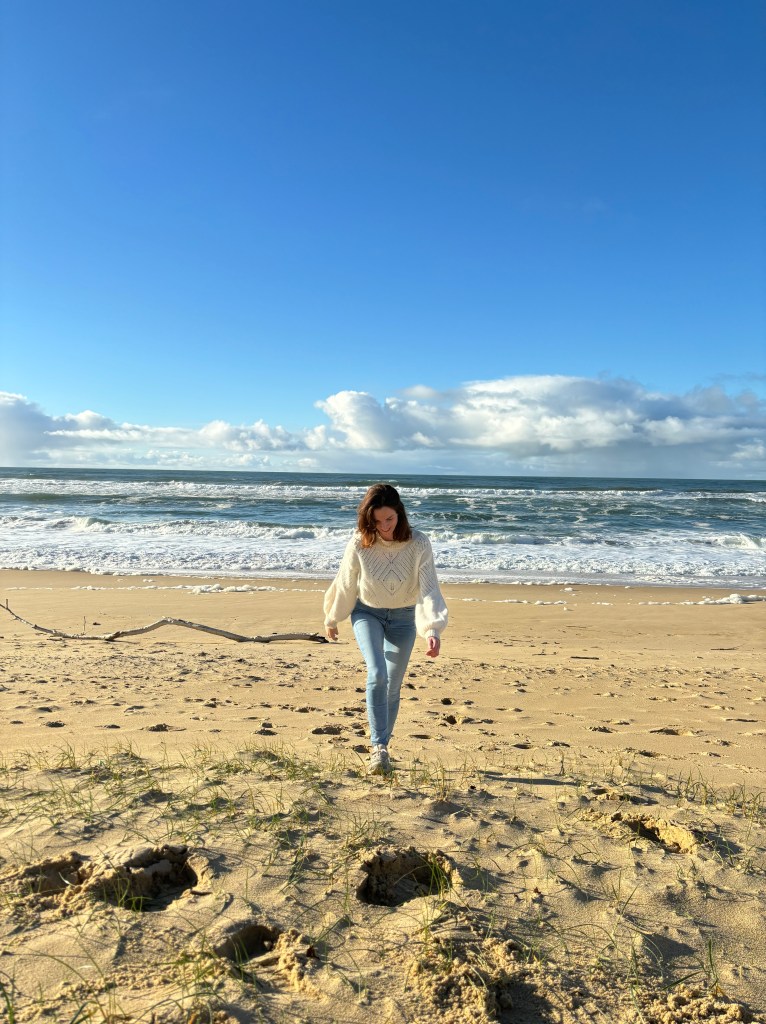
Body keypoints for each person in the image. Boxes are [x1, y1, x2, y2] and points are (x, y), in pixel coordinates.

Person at [323, 483, 448, 774]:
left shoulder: (419, 543)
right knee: (377, 673)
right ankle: (378, 747)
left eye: (389, 519)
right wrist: (332, 618)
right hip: (367, 613)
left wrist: (432, 629)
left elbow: (429, 589)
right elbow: (345, 582)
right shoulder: (360, 542)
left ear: (399, 513)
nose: (384, 527)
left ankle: (383, 748)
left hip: (404, 618)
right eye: (377, 521)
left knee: (393, 685)